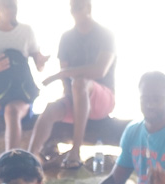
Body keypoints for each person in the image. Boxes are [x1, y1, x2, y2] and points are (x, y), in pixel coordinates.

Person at [28, 0, 116, 170]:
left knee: (80, 83)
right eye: (72, 8)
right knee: (50, 109)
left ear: (88, 8)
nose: (75, 11)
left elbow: (100, 70)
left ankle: (75, 151)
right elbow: (65, 79)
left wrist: (64, 74)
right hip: (75, 98)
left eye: (78, 7)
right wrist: (65, 80)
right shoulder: (66, 38)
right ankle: (29, 158)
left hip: (103, 99)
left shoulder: (106, 35)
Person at [0, 0, 48, 153]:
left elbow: (39, 66)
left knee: (12, 111)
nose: (13, 10)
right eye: (8, 6)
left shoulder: (27, 31)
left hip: (20, 93)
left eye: (15, 6)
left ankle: (9, 158)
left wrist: (41, 62)